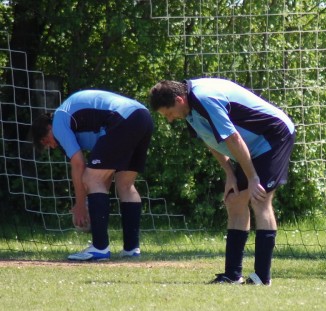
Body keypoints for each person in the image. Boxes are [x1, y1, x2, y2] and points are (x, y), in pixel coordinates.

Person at [149, 78, 295, 285]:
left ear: (179, 100)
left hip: (274, 135)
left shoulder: (204, 98)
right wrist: (230, 174)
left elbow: (232, 137)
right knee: (234, 200)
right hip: (249, 146)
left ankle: (262, 277)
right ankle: (232, 276)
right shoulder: (189, 110)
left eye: (169, 113)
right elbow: (212, 140)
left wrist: (253, 178)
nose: (170, 120)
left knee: (260, 199)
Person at [31, 90, 154, 261]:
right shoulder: (85, 129)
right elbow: (106, 169)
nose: (51, 146)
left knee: (90, 178)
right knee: (125, 185)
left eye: (45, 141)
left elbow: (79, 164)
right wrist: (95, 204)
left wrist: (81, 206)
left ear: (48, 127)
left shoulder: (59, 120)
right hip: (143, 117)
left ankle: (100, 248)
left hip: (124, 119)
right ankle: (131, 248)